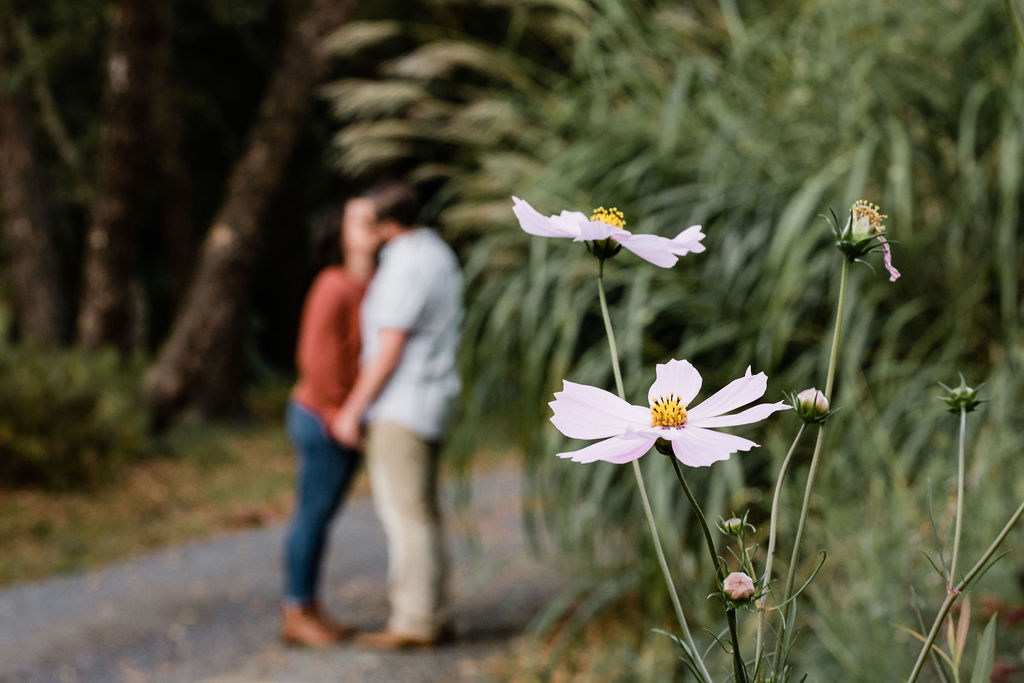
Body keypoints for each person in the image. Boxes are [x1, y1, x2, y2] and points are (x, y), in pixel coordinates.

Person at [332, 179, 462, 649]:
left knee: (404, 514)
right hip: (434, 399)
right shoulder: (437, 254)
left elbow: (388, 349)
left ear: (387, 224)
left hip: (401, 407)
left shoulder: (404, 265)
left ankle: (414, 621)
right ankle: (433, 612)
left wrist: (352, 410)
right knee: (424, 511)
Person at [281, 199, 380, 647]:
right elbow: (315, 361)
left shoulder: (376, 284)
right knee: (312, 516)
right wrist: (342, 414)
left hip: (347, 420)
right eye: (361, 220)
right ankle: (296, 610)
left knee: (322, 517)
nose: (372, 225)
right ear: (340, 233)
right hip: (321, 419)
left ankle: (311, 607)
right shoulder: (333, 285)